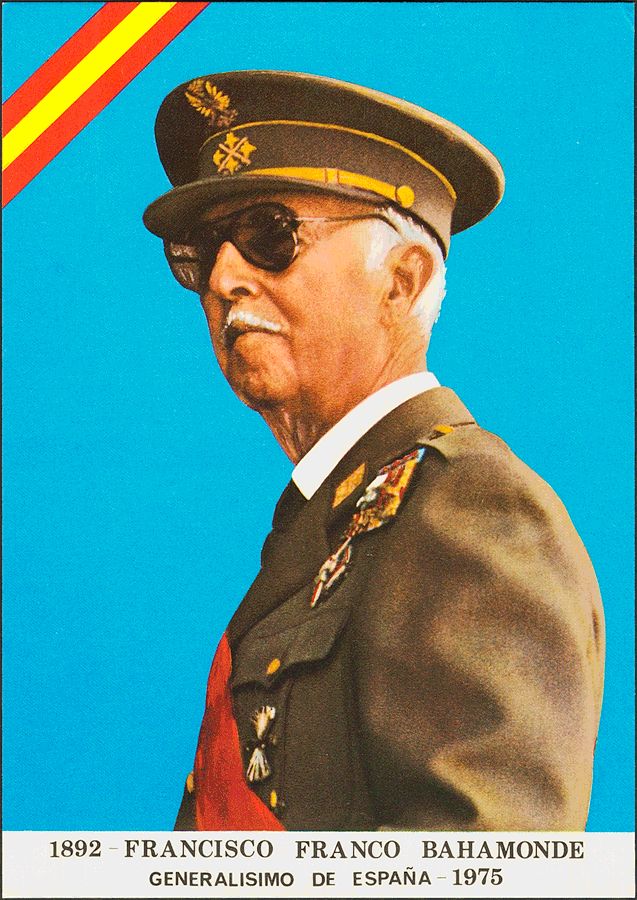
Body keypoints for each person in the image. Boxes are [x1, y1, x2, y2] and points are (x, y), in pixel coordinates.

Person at [143, 70, 604, 831]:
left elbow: (487, 872)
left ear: (402, 280)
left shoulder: (473, 510)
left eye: (269, 236)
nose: (224, 279)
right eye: (202, 252)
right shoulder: (333, 518)